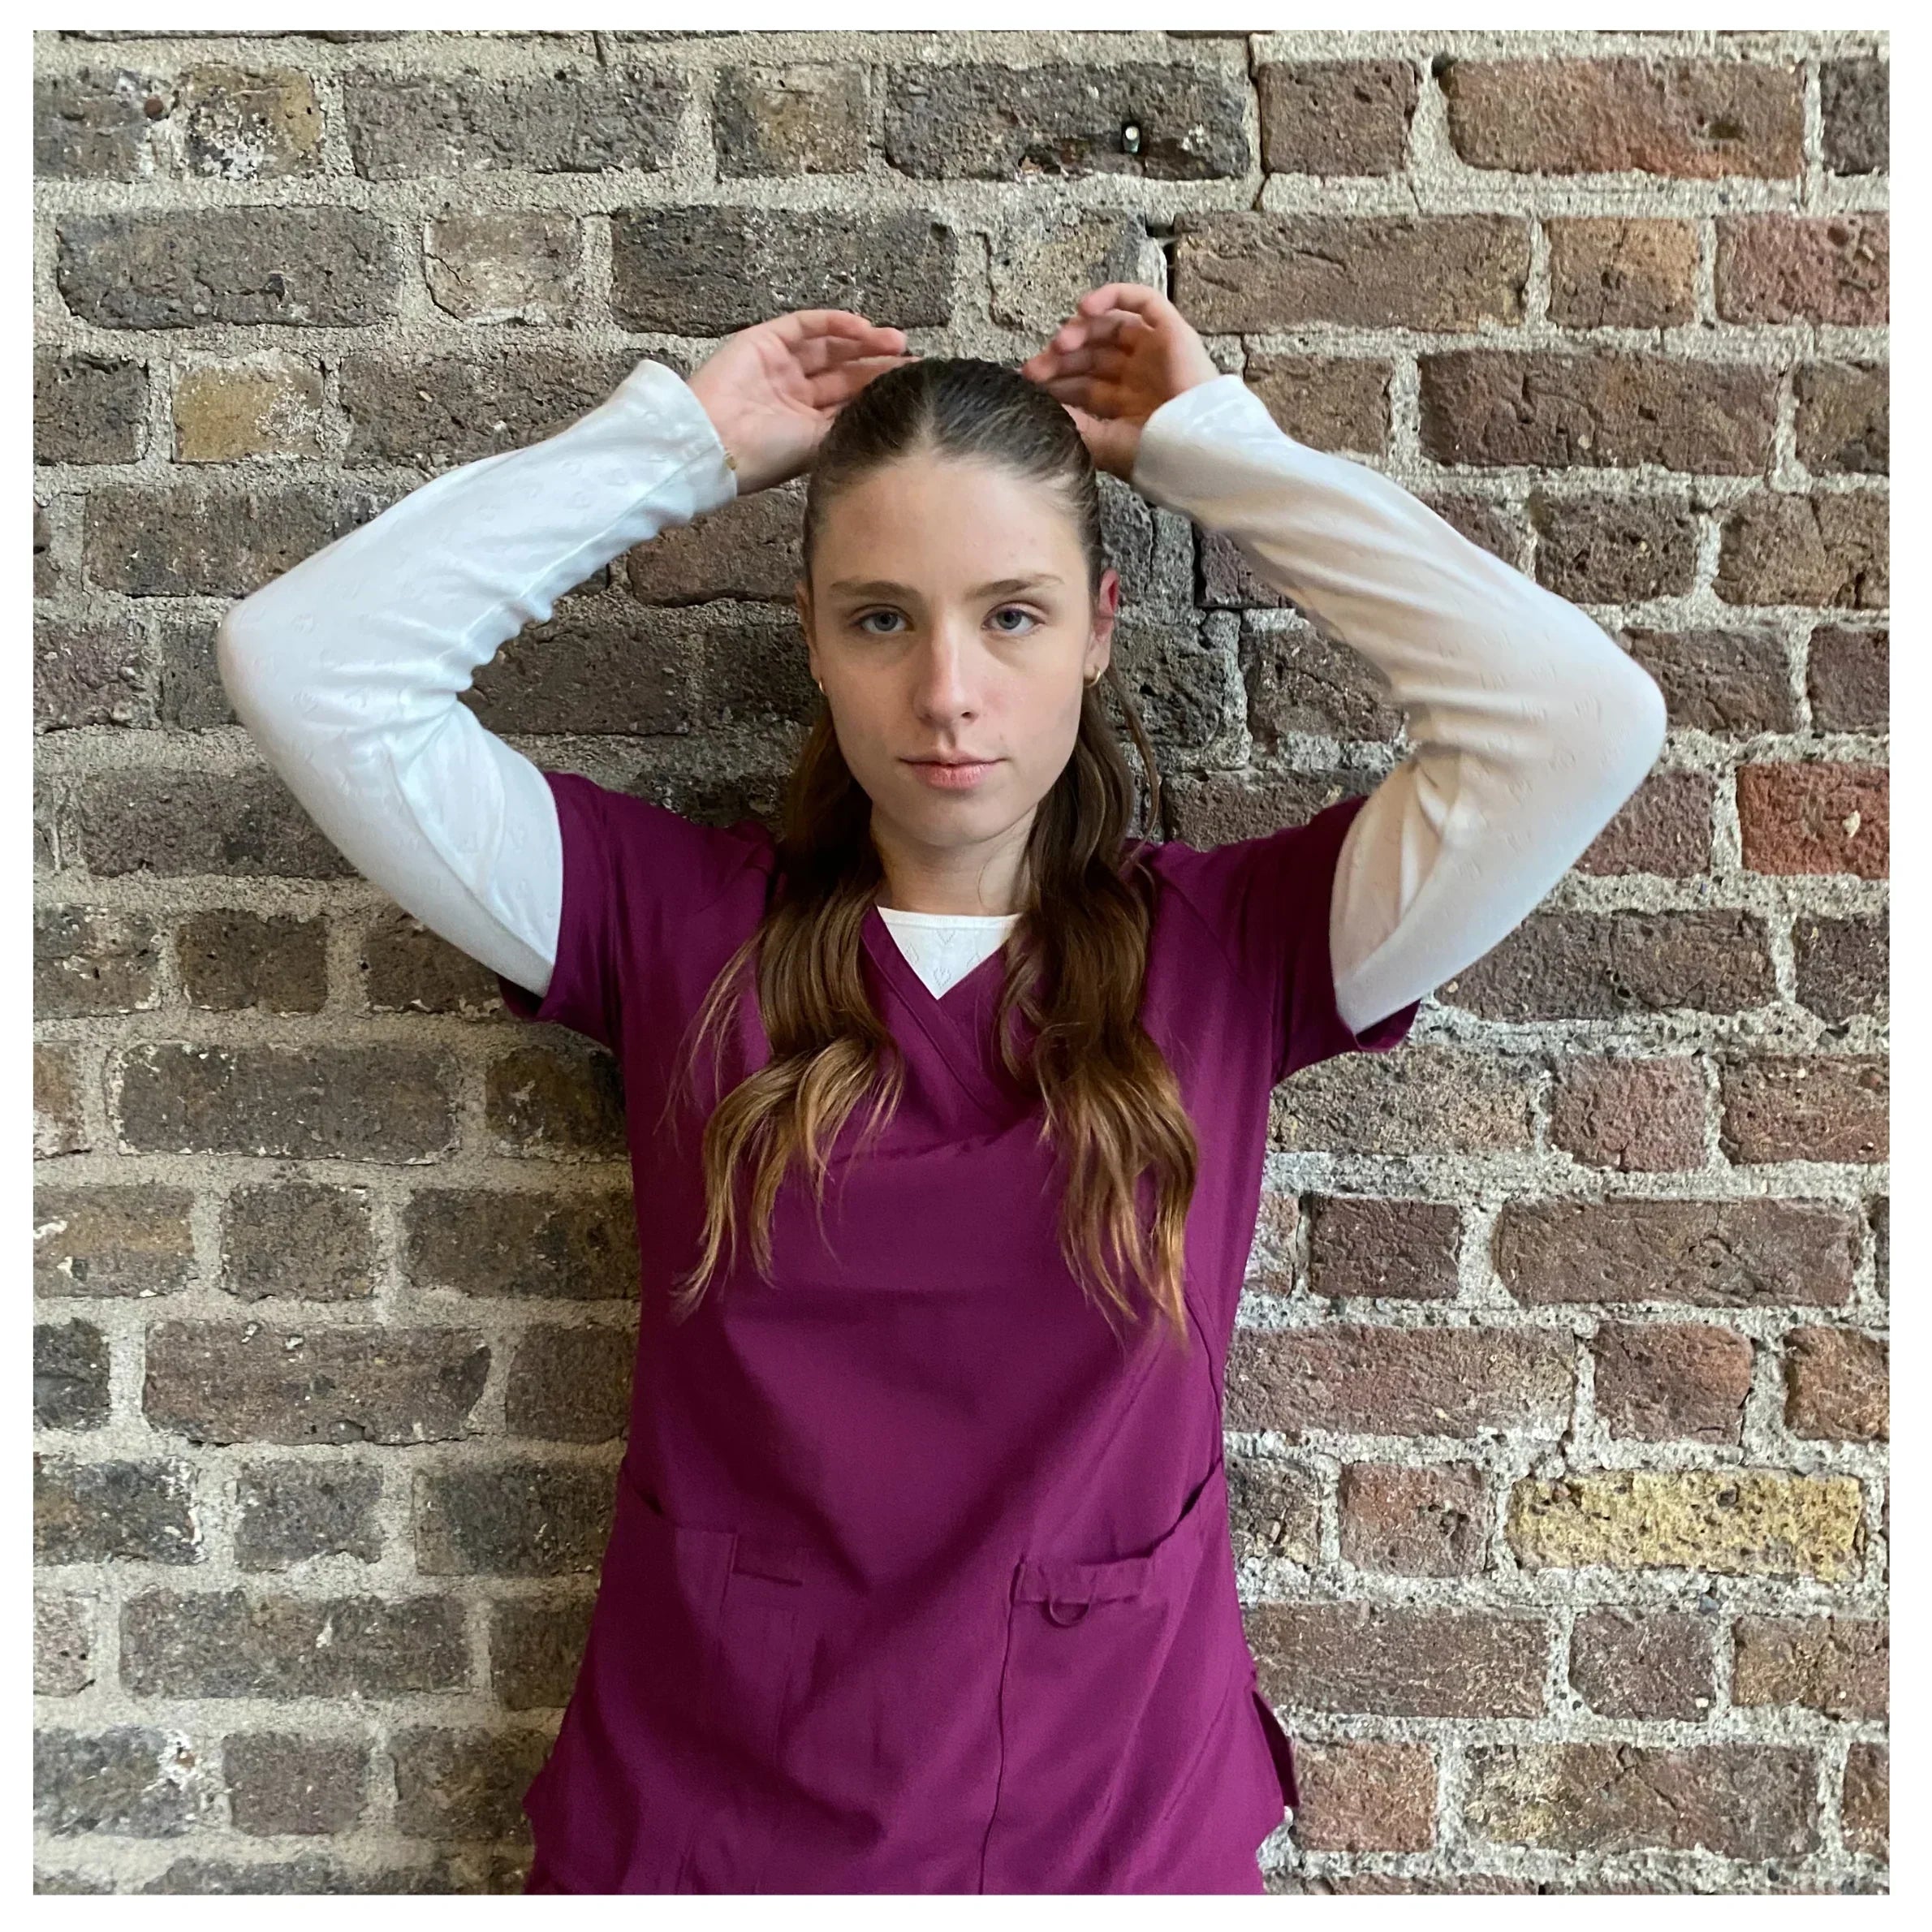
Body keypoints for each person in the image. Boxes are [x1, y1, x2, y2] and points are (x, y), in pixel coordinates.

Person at [215, 286, 1667, 1894]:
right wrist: (678, 445)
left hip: (1109, 1843)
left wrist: (1209, 449)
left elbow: (1575, 719)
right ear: (813, 636)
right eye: (882, 616)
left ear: (1101, 626)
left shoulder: (1236, 951)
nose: (948, 692)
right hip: (710, 1846)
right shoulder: (668, 925)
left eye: (1012, 614)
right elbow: (309, 667)